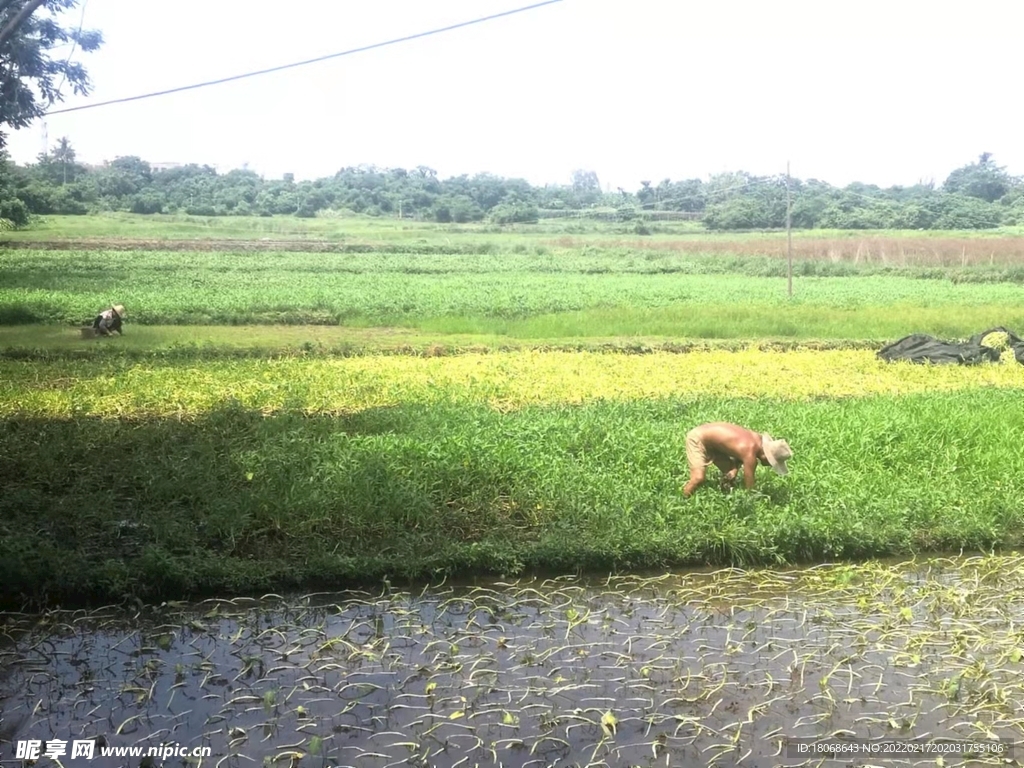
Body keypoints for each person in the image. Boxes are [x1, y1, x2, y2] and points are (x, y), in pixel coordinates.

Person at [683, 422, 792, 497]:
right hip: (698, 438)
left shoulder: (756, 440)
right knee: (698, 478)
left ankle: (724, 496)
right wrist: (754, 502)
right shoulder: (750, 452)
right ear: (767, 456)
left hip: (714, 443)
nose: (770, 466)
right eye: (771, 463)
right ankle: (684, 500)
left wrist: (734, 470)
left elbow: (736, 452)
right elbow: (750, 486)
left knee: (730, 474)